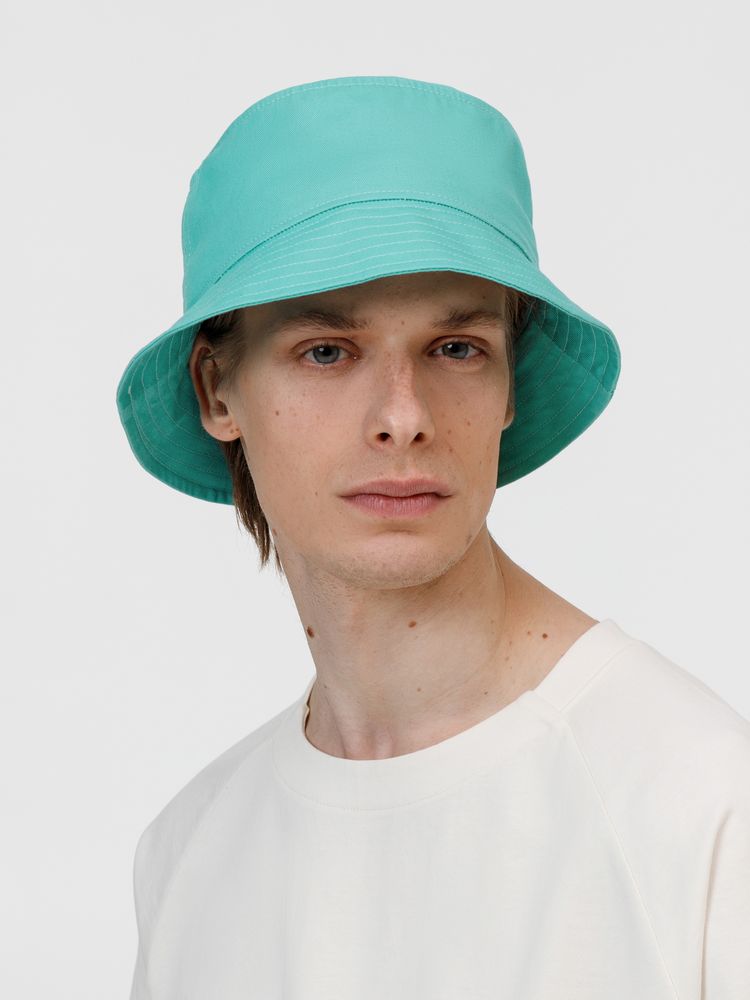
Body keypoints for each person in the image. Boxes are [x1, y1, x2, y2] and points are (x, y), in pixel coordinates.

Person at [117, 75, 750, 1000]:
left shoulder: (701, 805)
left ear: (509, 385)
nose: (403, 417)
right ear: (218, 391)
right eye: (326, 350)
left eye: (456, 348)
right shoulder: (190, 857)